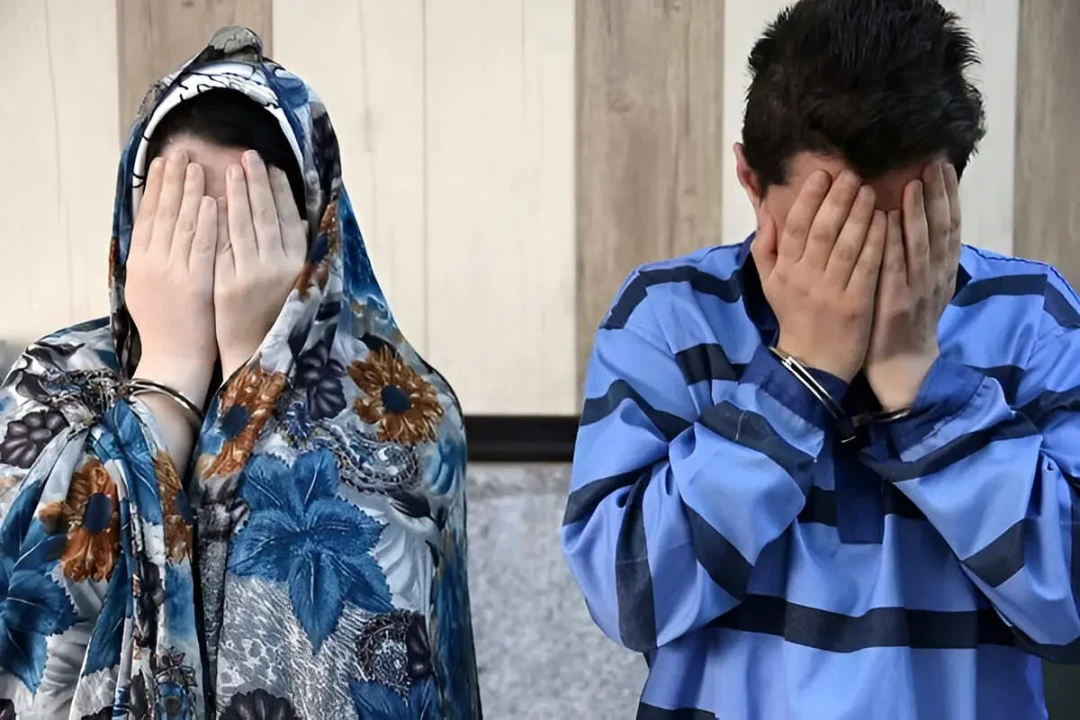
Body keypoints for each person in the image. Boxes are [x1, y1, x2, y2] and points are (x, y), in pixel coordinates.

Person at [563, 1, 1080, 718]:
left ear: (950, 192)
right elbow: (632, 599)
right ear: (751, 181)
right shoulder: (669, 315)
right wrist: (800, 373)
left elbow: (1071, 610)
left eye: (894, 232)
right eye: (830, 229)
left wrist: (919, 381)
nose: (859, 266)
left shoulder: (1031, 317)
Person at [0, 27, 480, 719]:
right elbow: (28, 635)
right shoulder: (53, 382)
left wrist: (260, 383)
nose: (206, 257)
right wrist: (168, 384)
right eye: (177, 221)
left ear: (312, 232)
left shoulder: (404, 407)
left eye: (251, 224)